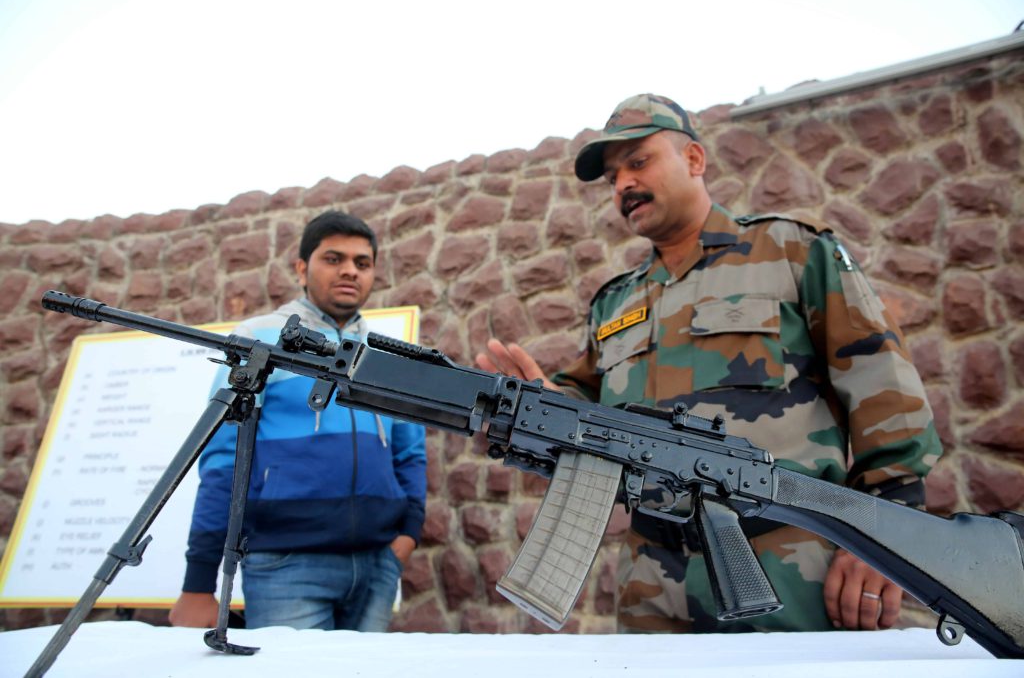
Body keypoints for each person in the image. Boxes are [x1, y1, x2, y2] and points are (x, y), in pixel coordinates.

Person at [476, 94, 942, 634]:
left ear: (694, 159)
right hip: (652, 584)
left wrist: (886, 535)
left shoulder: (791, 253)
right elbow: (586, 401)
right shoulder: (615, 303)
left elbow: (883, 386)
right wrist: (538, 408)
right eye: (612, 177)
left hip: (787, 569)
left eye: (638, 161)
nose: (623, 184)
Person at [169, 210, 427, 631]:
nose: (350, 270)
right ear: (302, 268)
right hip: (285, 565)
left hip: (378, 565)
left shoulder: (389, 358)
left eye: (362, 262)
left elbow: (410, 453)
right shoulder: (259, 338)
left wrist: (408, 535)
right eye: (334, 258)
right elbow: (223, 459)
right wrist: (198, 583)